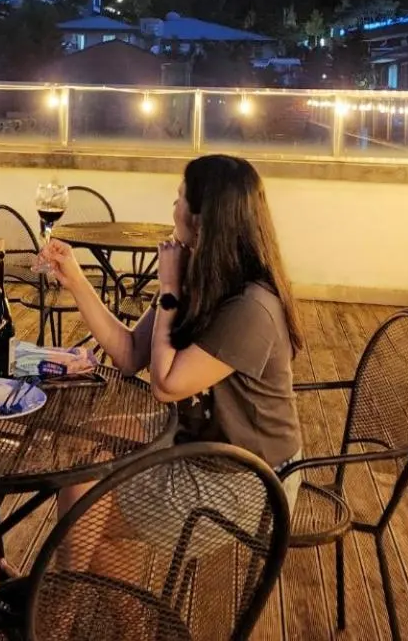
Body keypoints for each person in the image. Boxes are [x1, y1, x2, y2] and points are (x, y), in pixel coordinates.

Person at [36, 154, 304, 559]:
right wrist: (74, 278)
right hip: (198, 440)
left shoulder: (251, 306)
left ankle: (54, 613)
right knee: (86, 447)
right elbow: (129, 354)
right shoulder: (202, 273)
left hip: (246, 476)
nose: (173, 207)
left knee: (88, 502)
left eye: (180, 198)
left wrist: (169, 288)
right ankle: (90, 613)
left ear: (203, 217)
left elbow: (165, 385)